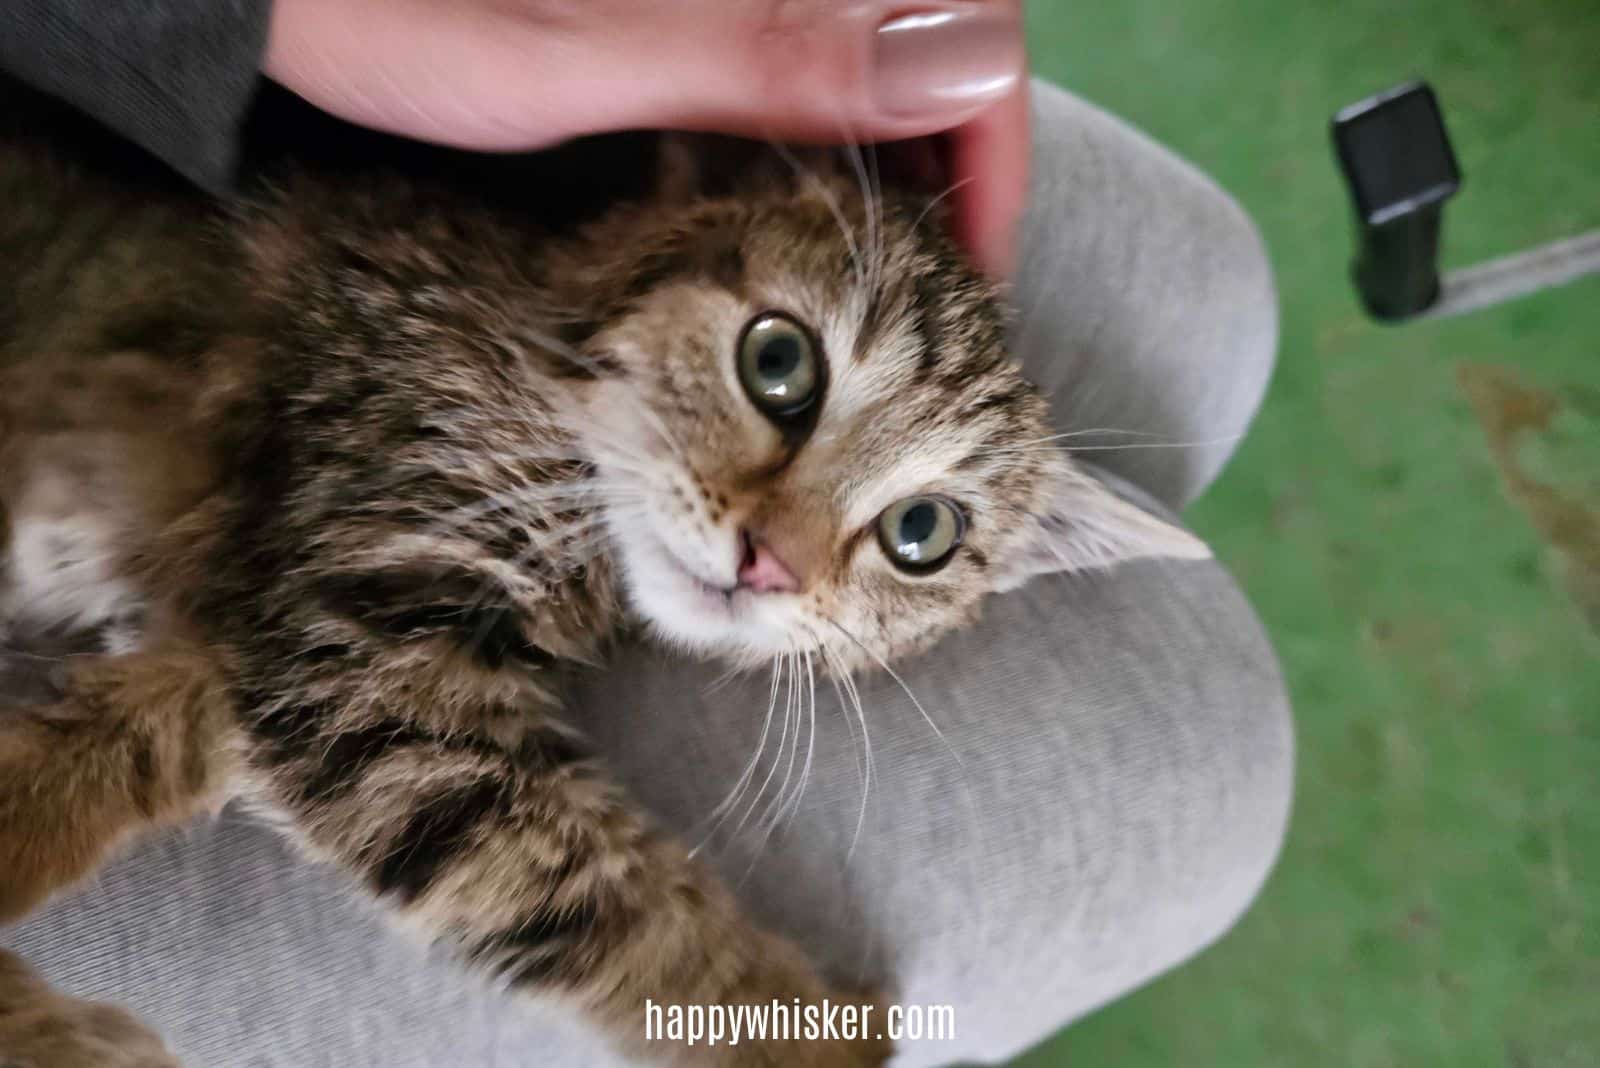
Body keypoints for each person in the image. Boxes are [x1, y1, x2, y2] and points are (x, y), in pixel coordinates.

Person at [1, 3, 1293, 1065]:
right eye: (779, 367)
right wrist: (748, 1023)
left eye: (915, 532)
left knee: (1214, 306)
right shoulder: (488, 364)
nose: (778, 543)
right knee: (1206, 752)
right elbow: (367, 720)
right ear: (692, 221)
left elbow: (270, 672)